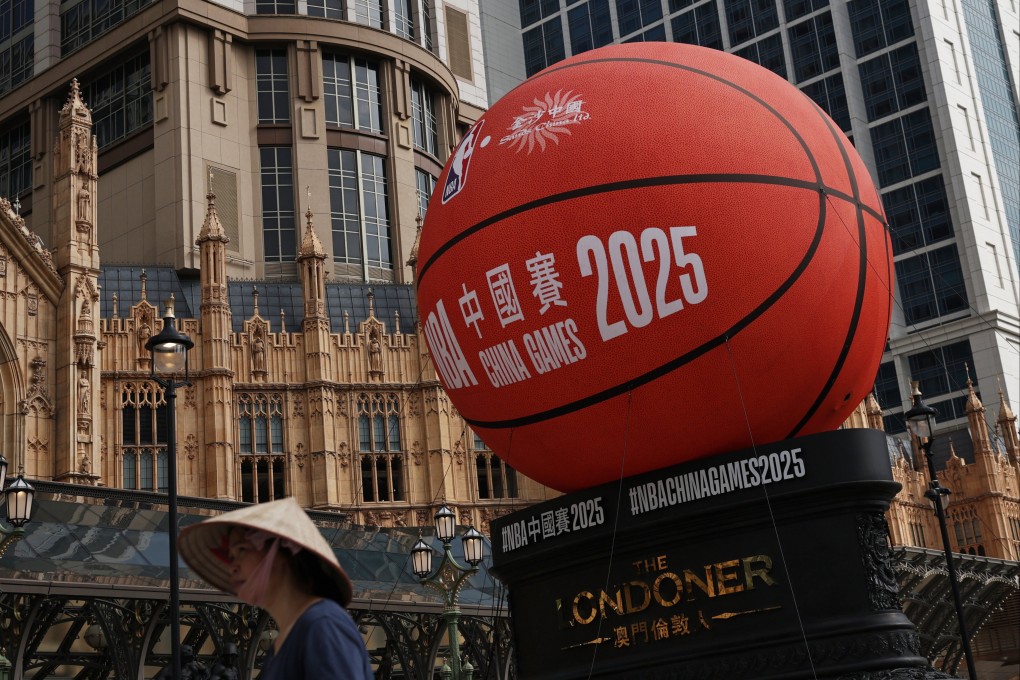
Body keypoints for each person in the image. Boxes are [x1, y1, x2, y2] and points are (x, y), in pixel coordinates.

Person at [178, 497, 373, 679]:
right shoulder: (289, 636)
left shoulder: (323, 625)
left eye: (242, 550)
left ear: (282, 553)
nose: (232, 566)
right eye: (230, 556)